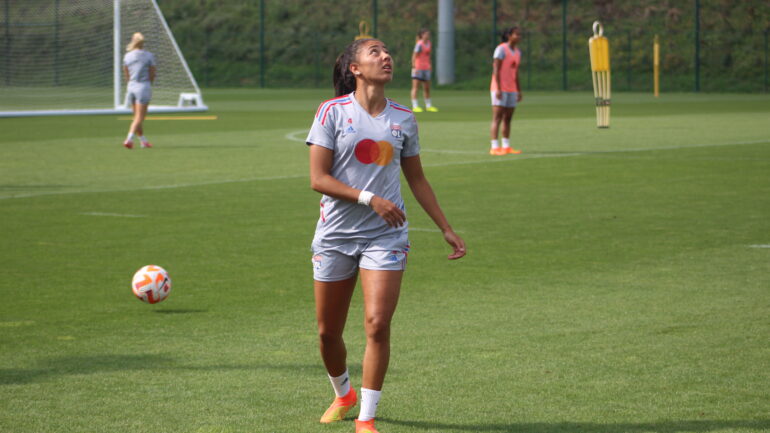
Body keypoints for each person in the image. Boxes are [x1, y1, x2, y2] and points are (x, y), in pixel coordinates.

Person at [306, 38, 466, 433]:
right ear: (355, 68)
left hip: (386, 235)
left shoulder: (404, 118)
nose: (386, 56)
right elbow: (318, 179)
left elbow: (417, 178)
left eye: (386, 51)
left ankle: (366, 419)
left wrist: (445, 226)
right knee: (328, 333)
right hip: (336, 235)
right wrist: (369, 198)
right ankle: (343, 393)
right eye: (374, 51)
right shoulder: (331, 112)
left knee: (377, 324)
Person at [489, 26, 523, 156]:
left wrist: (518, 90)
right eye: (516, 34)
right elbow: (496, 69)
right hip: (500, 89)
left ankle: (506, 146)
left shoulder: (518, 52)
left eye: (519, 35)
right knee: (497, 117)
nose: (519, 37)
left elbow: (516, 73)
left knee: (508, 118)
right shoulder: (501, 49)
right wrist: (497, 87)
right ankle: (494, 147)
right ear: (509, 36)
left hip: (512, 89)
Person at [122, 32, 156, 149]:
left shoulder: (127, 56)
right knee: (139, 117)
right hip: (143, 87)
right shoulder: (149, 56)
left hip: (131, 87)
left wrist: (130, 83)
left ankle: (143, 141)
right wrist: (148, 84)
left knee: (136, 117)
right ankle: (129, 139)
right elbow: (152, 73)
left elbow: (126, 73)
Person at [410, 28, 438, 113]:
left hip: (426, 68)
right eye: (426, 34)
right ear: (422, 35)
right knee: (416, 87)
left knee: (427, 88)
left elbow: (428, 56)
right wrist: (414, 67)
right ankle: (415, 106)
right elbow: (414, 55)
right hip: (418, 68)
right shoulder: (419, 44)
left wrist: (430, 65)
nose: (428, 35)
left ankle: (428, 106)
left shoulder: (429, 43)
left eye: (428, 34)